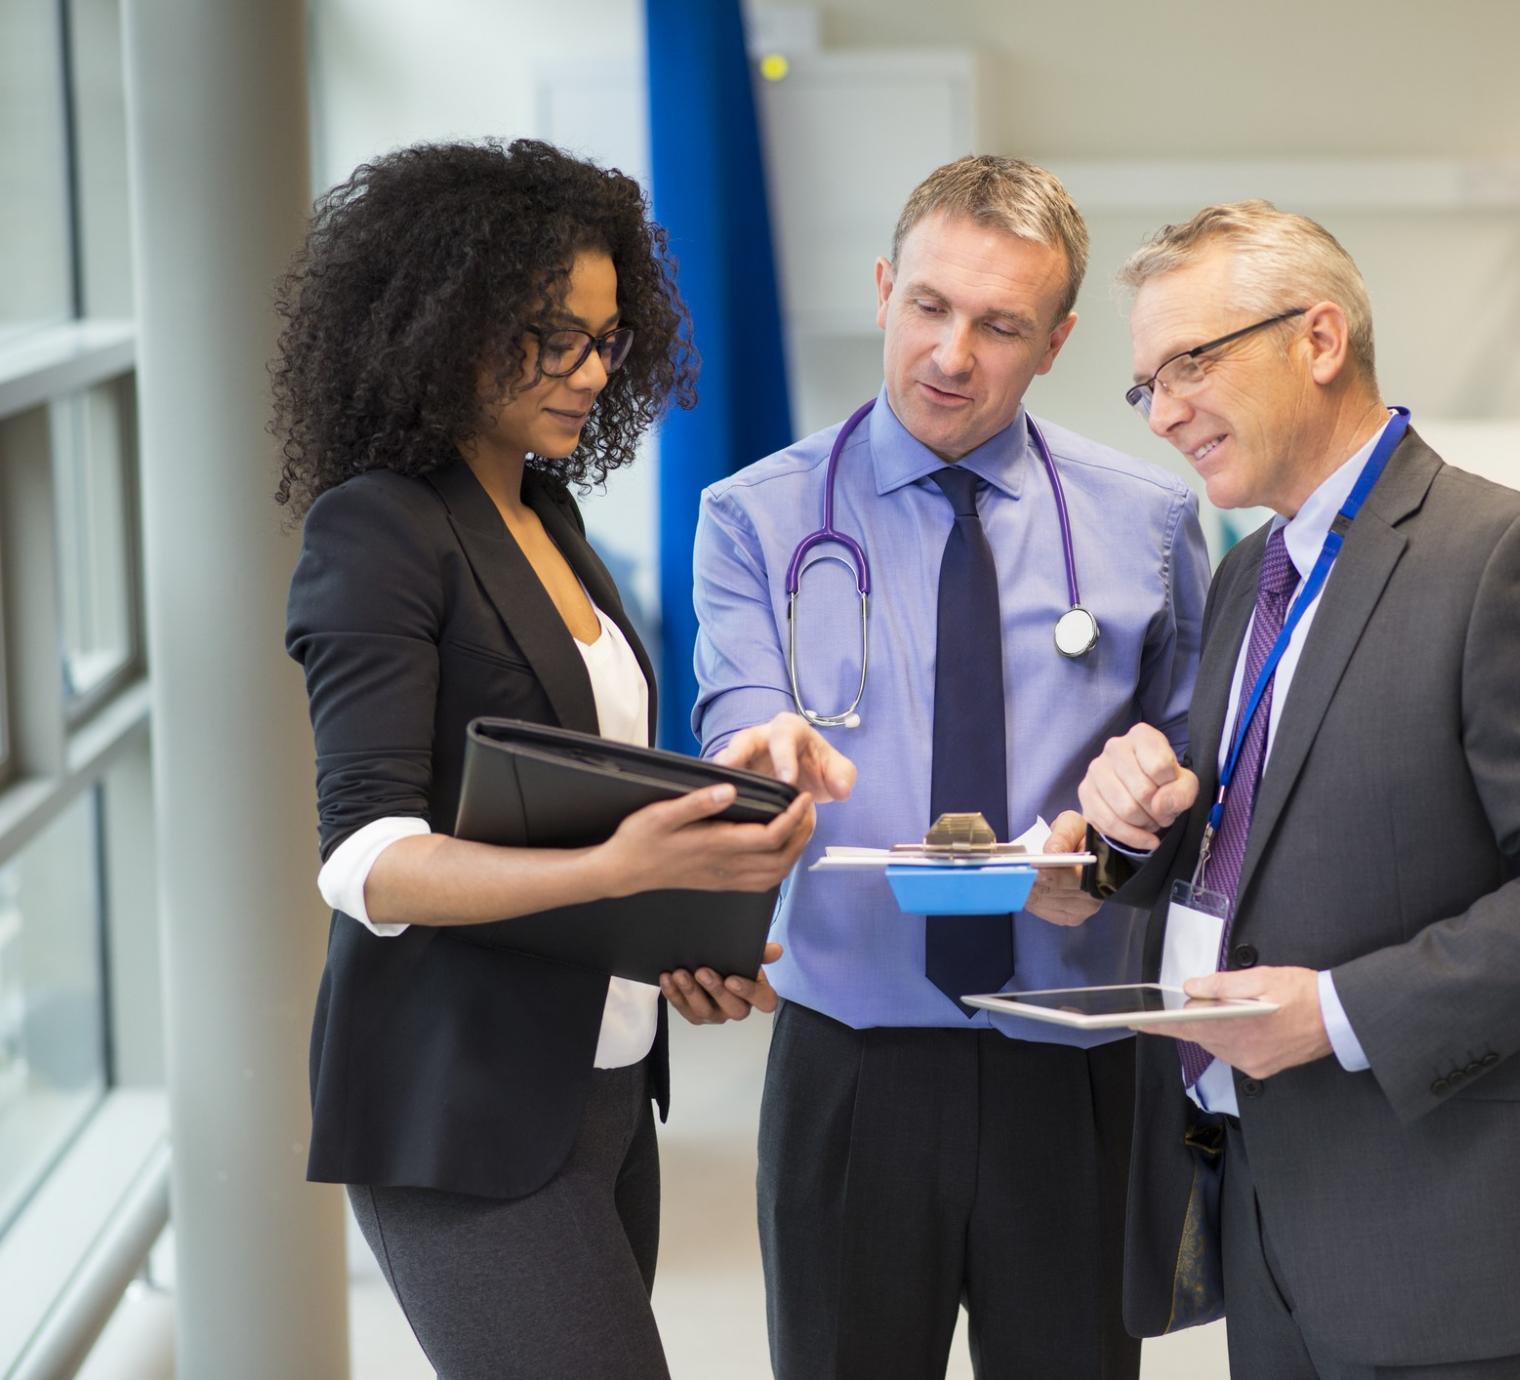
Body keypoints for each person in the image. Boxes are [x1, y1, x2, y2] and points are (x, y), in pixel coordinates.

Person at [1045, 201, 1520, 1379]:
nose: (1164, 410)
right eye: (1145, 386)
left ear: (1319, 339)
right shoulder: (1253, 570)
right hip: (1269, 1206)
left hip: (1444, 1230)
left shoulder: (1506, 560)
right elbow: (1260, 830)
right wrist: (1132, 832)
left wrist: (1333, 1015)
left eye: (1188, 363)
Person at [277, 139, 851, 1378]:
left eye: (605, 338)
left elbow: (573, 797)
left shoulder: (547, 515)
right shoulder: (376, 527)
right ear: (440, 322)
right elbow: (368, 861)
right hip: (460, 1110)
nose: (590, 370)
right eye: (552, 335)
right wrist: (617, 872)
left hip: (599, 1092)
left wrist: (676, 939)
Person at [689, 155, 1208, 1380]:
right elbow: (739, 715)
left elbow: (1198, 774)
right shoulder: (755, 518)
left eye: (1000, 325)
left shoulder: (1150, 521)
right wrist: (755, 758)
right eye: (927, 305)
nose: (951, 354)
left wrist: (1123, 853)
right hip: (852, 1061)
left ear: (1058, 340)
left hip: (1071, 1060)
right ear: (882, 288)